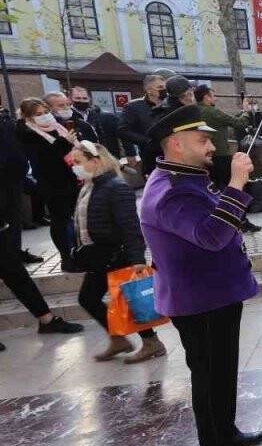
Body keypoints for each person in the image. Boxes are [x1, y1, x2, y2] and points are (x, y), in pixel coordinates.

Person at [139, 104, 262, 446]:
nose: (211, 146)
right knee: (210, 378)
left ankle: (226, 433)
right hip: (201, 300)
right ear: (176, 145)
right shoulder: (172, 192)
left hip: (215, 293)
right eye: (203, 140)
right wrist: (236, 185)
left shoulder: (187, 177)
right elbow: (211, 236)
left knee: (222, 371)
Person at [67, 141, 168, 362]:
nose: (74, 166)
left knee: (131, 300)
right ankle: (118, 338)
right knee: (88, 298)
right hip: (99, 256)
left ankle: (151, 343)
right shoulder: (89, 185)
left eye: (78, 162)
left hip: (116, 254)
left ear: (95, 162)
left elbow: (131, 226)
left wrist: (137, 259)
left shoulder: (115, 187)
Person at [0, 108, 82, 343]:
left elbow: (16, 164)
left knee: (14, 271)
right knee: (14, 271)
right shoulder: (19, 130)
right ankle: (46, 318)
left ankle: (46, 319)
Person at [15, 97, 81, 267]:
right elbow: (46, 159)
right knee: (61, 220)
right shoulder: (26, 133)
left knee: (77, 217)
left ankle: (78, 251)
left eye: (46, 112)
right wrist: (65, 143)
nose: (44, 116)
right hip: (51, 183)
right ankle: (66, 257)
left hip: (72, 177)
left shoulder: (58, 126)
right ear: (28, 117)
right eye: (38, 114)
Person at [194, 86, 262, 233]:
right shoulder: (211, 112)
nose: (216, 98)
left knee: (213, 190)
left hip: (202, 158)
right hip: (220, 156)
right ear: (206, 97)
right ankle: (240, 221)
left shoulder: (193, 111)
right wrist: (245, 110)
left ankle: (222, 219)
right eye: (213, 96)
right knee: (234, 188)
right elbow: (239, 123)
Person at [118, 73, 170, 173]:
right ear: (149, 90)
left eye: (165, 87)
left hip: (172, 154)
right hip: (150, 157)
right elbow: (123, 130)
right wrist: (147, 141)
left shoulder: (170, 105)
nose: (164, 90)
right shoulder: (134, 107)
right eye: (160, 87)